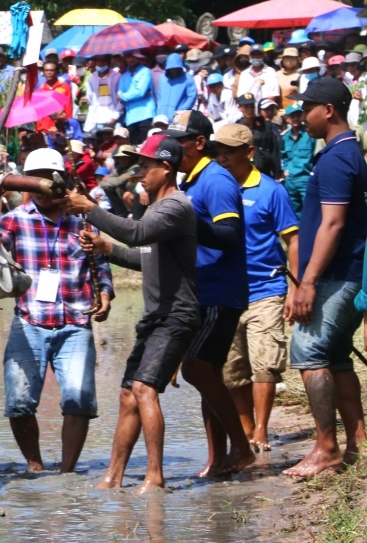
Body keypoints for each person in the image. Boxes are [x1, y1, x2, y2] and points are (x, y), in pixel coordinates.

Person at [64, 133, 199, 493]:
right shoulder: (156, 209)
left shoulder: (176, 207)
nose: (139, 173)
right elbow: (146, 257)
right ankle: (114, 475)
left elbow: (138, 234)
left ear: (166, 167)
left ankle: (155, 475)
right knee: (128, 393)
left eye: (145, 166)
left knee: (143, 388)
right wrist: (108, 249)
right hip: (156, 315)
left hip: (176, 315)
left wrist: (89, 209)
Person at [0, 148, 114, 473]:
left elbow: (101, 260)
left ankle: (66, 472)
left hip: (75, 322)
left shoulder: (83, 219)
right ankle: (35, 467)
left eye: (49, 179)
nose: (43, 185)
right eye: (35, 180)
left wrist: (105, 291)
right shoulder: (13, 221)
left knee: (78, 399)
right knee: (19, 403)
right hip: (28, 320)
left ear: (60, 182)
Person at [165, 110, 255, 477]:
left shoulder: (216, 181)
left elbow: (231, 236)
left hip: (220, 291)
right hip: (200, 292)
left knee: (196, 369)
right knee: (208, 376)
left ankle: (243, 448)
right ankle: (217, 459)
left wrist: (189, 221)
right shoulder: (191, 182)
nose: (170, 146)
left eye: (178, 139)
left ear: (199, 143)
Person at [286, 78, 367, 477]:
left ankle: (326, 448)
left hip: (336, 275)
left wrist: (308, 281)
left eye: (307, 108)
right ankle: (358, 445)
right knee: (336, 359)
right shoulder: (345, 152)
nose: (303, 116)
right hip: (347, 273)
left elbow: (332, 225)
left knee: (308, 352)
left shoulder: (336, 158)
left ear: (329, 110)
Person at [211, 124, 299, 454]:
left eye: (229, 152)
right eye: (219, 151)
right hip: (226, 293)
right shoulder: (214, 189)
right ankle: (246, 431)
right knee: (233, 370)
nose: (222, 157)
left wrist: (297, 288)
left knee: (265, 363)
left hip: (266, 287)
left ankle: (261, 428)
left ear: (249, 153)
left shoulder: (271, 191)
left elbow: (292, 239)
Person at [280, 103, 315, 213]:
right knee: (292, 212)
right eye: (292, 116)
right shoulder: (285, 137)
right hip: (290, 180)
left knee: (310, 210)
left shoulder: (310, 134)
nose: (295, 119)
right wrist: (285, 169)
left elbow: (316, 153)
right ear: (287, 118)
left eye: (298, 115)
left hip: (305, 178)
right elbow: (284, 156)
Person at [118, 52, 155, 144]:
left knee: (145, 146)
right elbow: (119, 96)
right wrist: (124, 96)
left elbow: (140, 92)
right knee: (133, 148)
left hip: (145, 114)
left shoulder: (145, 71)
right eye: (128, 57)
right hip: (130, 117)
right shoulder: (124, 76)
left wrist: (124, 96)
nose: (130, 60)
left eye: (133, 57)